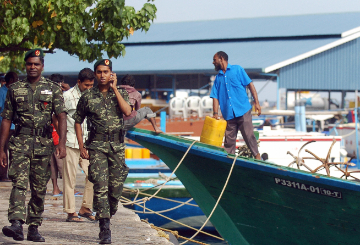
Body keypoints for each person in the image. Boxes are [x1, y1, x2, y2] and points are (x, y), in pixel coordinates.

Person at [0, 48, 67, 242]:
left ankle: (34, 226)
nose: (32, 67)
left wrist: (61, 143)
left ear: (42, 66)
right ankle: (16, 223)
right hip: (20, 142)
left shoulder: (52, 89)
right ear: (25, 66)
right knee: (19, 184)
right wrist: (2, 148)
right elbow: (6, 119)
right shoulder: (15, 89)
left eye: (36, 64)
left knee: (39, 188)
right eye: (29, 64)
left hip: (43, 144)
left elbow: (61, 116)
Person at [73, 59, 131, 244]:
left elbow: (128, 111)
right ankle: (104, 227)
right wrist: (82, 146)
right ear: (96, 74)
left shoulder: (120, 93)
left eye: (106, 71)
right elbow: (77, 120)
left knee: (115, 188)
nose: (102, 75)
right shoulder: (88, 96)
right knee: (100, 186)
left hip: (116, 147)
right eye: (99, 72)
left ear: (111, 73)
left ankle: (108, 213)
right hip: (96, 146)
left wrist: (115, 89)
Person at [210, 51, 261, 160]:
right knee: (229, 142)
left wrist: (256, 102)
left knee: (248, 135)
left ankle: (257, 157)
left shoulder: (237, 70)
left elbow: (250, 85)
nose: (213, 62)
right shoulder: (218, 78)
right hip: (228, 114)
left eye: (215, 60)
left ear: (221, 59)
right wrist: (215, 113)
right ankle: (229, 162)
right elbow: (215, 96)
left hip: (243, 110)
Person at [62, 68, 95, 222]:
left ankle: (85, 207)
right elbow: (58, 118)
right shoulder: (67, 96)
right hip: (70, 141)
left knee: (93, 175)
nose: (88, 88)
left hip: (88, 143)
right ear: (79, 82)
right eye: (86, 85)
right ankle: (70, 211)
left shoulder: (94, 97)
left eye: (91, 85)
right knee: (70, 178)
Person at [0, 72, 17, 182]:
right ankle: (3, 175)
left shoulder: (15, 91)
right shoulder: (2, 92)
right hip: (4, 126)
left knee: (14, 151)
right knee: (3, 150)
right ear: (10, 81)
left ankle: (13, 174)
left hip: (15, 126)